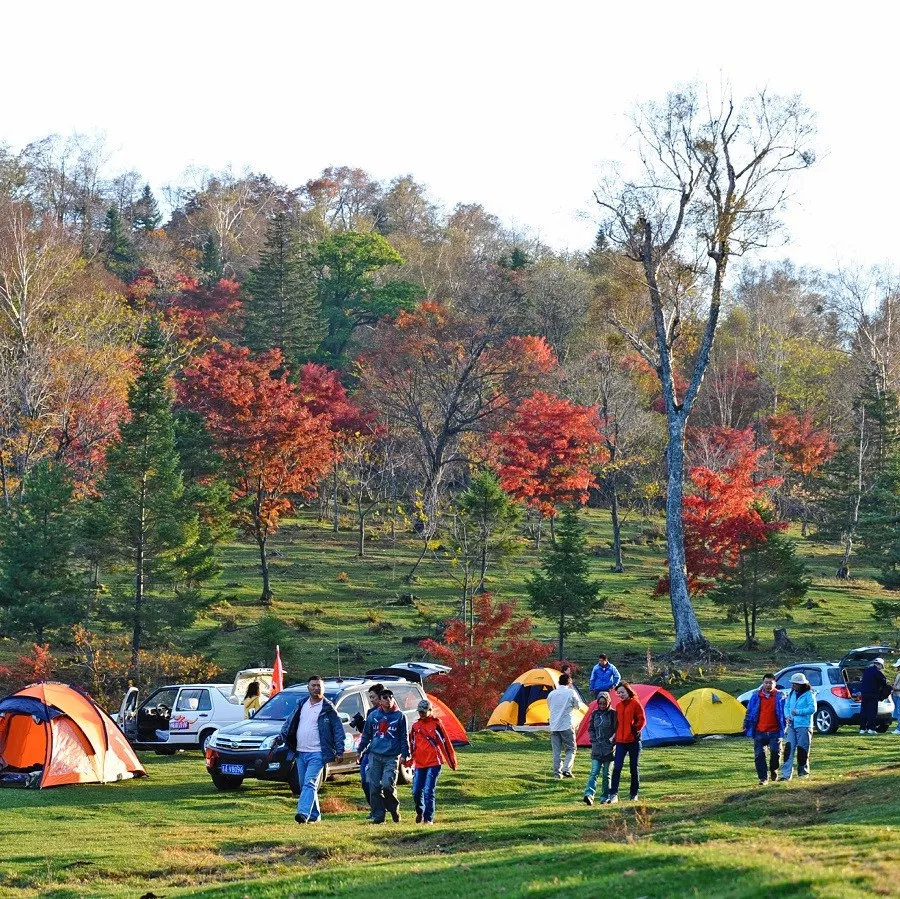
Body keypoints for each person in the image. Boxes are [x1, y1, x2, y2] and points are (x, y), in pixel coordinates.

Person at [278, 675, 344, 824]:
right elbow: (290, 722)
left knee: (309, 783)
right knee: (305, 785)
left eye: (318, 686)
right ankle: (315, 815)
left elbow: (338, 730)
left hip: (318, 753)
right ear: (308, 688)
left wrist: (339, 750)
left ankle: (302, 813)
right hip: (301, 752)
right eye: (313, 685)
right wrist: (281, 736)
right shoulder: (302, 704)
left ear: (323, 688)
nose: (316, 688)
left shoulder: (328, 708)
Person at [358, 688, 410, 824]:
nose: (388, 699)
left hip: (391, 757)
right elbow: (366, 735)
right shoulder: (373, 716)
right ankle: (378, 816)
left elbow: (404, 737)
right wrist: (360, 750)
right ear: (380, 701)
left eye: (390, 697)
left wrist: (405, 754)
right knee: (373, 786)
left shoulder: (400, 716)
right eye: (385, 697)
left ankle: (393, 809)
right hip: (375, 755)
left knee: (388, 785)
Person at [409, 698, 458, 824]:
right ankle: (420, 811)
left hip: (434, 762)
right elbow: (412, 745)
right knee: (416, 791)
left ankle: (428, 819)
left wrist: (451, 761)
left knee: (428, 790)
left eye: (424, 712)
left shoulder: (436, 724)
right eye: (419, 712)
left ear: (430, 711)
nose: (421, 714)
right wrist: (410, 760)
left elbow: (444, 743)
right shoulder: (415, 726)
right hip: (420, 763)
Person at [743, 673, 786, 785]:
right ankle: (763, 778)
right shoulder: (755, 696)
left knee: (775, 753)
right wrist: (745, 723)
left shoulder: (780, 696)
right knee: (759, 755)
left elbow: (785, 712)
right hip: (759, 731)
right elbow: (749, 711)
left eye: (770, 683)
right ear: (763, 683)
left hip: (775, 731)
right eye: (766, 682)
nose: (768, 685)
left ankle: (773, 770)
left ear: (775, 683)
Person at [607, 682, 645, 803]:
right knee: (617, 767)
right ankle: (613, 794)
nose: (621, 695)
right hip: (620, 742)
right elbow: (617, 724)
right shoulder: (618, 706)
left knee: (634, 768)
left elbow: (642, 719)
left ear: (628, 691)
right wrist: (615, 736)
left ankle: (634, 794)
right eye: (619, 693)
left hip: (633, 741)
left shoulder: (635, 703)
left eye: (622, 692)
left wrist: (635, 729)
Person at [351, 683, 384, 809]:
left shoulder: (391, 712)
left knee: (380, 783)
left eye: (373, 697)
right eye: (370, 697)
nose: (371, 700)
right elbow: (367, 733)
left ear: (381, 697)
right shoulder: (371, 712)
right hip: (369, 751)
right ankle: (374, 808)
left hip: (383, 753)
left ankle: (382, 807)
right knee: (365, 782)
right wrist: (360, 723)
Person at [780, 672, 816, 780]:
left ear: (802, 684)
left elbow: (812, 709)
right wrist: (787, 715)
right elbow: (786, 706)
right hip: (791, 725)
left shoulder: (809, 694)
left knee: (802, 750)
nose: (793, 685)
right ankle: (786, 775)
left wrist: (798, 712)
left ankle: (803, 774)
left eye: (795, 683)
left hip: (804, 726)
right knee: (789, 749)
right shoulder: (792, 694)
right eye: (793, 683)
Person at [583, 691, 616, 805]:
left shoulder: (613, 714)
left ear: (608, 702)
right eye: (600, 703)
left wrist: (612, 741)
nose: (602, 705)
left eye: (604, 703)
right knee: (594, 772)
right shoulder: (595, 714)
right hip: (597, 747)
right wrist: (593, 740)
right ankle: (589, 794)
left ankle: (605, 797)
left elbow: (617, 729)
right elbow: (591, 728)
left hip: (609, 748)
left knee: (606, 775)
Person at [547, 672, 581, 778]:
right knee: (571, 748)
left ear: (558, 682)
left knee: (556, 751)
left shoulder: (551, 694)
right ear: (569, 683)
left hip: (553, 725)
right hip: (566, 724)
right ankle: (566, 769)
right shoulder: (571, 692)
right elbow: (578, 706)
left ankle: (557, 774)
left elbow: (549, 706)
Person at [859, 657, 890, 735]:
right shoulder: (877, 672)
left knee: (864, 711)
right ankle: (871, 728)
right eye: (881, 666)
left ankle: (862, 728)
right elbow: (884, 682)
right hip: (872, 694)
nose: (881, 668)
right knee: (872, 712)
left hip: (864, 694)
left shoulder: (867, 670)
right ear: (879, 664)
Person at [892, 660, 900, 736]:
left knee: (899, 712)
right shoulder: (898, 674)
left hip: (899, 695)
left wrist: (894, 688)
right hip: (897, 695)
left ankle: (899, 729)